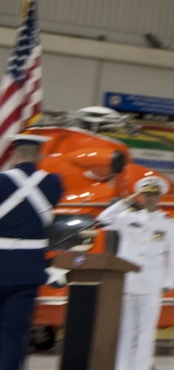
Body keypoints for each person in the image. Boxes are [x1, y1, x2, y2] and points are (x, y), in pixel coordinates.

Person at [97, 174, 174, 370]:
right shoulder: (128, 218)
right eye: (145, 195)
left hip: (151, 284)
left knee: (146, 331)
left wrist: (169, 282)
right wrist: (125, 202)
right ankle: (122, 367)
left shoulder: (170, 224)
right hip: (127, 283)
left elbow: (173, 254)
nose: (149, 198)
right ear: (140, 196)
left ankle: (141, 367)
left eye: (153, 195)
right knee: (124, 329)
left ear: (160, 197)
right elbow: (103, 220)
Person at [0, 134, 63, 370]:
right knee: (14, 333)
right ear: (39, 155)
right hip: (28, 269)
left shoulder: (1, 181)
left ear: (15, 154)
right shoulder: (54, 183)